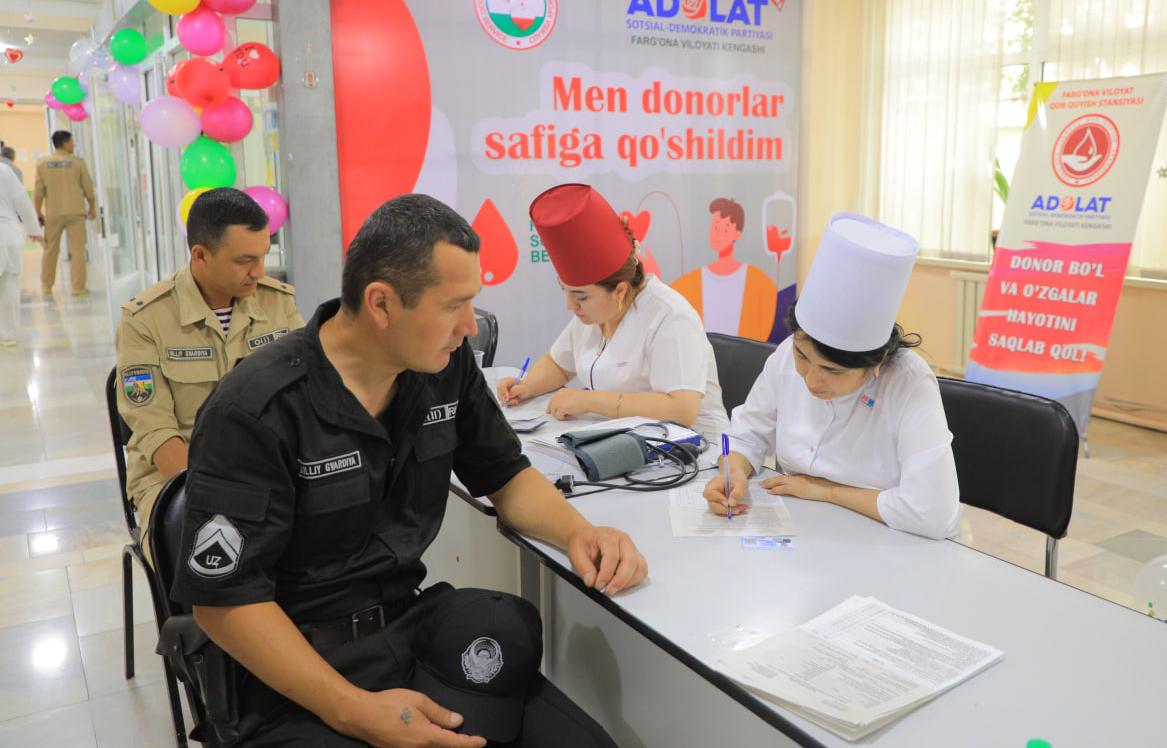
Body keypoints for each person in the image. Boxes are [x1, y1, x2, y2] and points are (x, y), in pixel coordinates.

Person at [170, 193, 646, 747]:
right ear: (381, 304)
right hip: (294, 673)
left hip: (410, 632)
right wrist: (354, 711)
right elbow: (225, 602)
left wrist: (580, 532)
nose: (468, 326)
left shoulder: (443, 368)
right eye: (454, 306)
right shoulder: (255, 408)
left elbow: (504, 473)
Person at [703, 213, 961, 540]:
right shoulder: (786, 354)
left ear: (877, 362)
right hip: (806, 531)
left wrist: (826, 491)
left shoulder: (909, 383)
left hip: (890, 540)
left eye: (833, 370)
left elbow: (932, 514)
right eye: (802, 357)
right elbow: (746, 435)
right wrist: (734, 472)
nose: (811, 380)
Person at [115, 187, 303, 554]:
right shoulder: (145, 319)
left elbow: (306, 393)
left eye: (263, 256)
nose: (258, 272)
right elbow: (155, 430)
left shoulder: (278, 304)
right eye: (245, 260)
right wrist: (219, 498)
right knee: (209, 549)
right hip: (178, 479)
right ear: (200, 255)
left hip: (267, 468)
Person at [498, 183, 729, 439]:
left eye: (581, 296)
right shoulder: (592, 314)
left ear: (619, 291)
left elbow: (681, 410)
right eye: (565, 291)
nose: (570, 305)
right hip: (624, 438)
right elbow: (560, 365)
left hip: (694, 447)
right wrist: (527, 387)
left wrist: (589, 401)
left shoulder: (670, 316)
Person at [670, 197, 777, 340]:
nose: (718, 233)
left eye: (725, 229)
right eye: (715, 227)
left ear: (737, 234)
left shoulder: (759, 282)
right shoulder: (692, 281)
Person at [33, 130, 96, 295]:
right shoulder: (78, 163)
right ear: (65, 144)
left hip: (53, 213)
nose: (73, 145)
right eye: (72, 142)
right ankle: (78, 286)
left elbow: (38, 191)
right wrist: (92, 207)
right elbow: (88, 188)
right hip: (76, 212)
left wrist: (38, 212)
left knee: (50, 249)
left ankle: (46, 285)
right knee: (78, 250)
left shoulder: (42, 164)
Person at [0, 162, 40, 348]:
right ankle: (8, 335)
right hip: (9, 234)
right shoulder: (4, 170)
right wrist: (33, 229)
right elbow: (21, 200)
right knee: (9, 284)